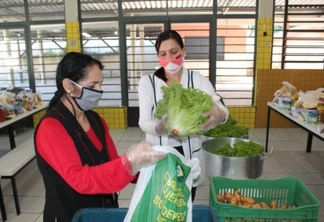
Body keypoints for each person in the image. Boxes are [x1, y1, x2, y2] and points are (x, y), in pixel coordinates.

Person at [34, 52, 166, 222]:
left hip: (103, 211)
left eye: (100, 84)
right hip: (71, 215)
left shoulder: (96, 120)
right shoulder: (52, 127)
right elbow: (80, 179)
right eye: (93, 85)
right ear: (68, 85)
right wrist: (129, 163)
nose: (99, 91)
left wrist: (148, 167)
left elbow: (112, 162)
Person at [138, 30, 229, 201]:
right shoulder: (147, 83)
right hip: (159, 153)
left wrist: (219, 114)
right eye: (163, 54)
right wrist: (159, 128)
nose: (170, 59)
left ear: (183, 51)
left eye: (174, 52)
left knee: (185, 202)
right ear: (158, 56)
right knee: (160, 202)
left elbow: (222, 110)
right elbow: (143, 122)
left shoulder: (198, 80)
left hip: (189, 154)